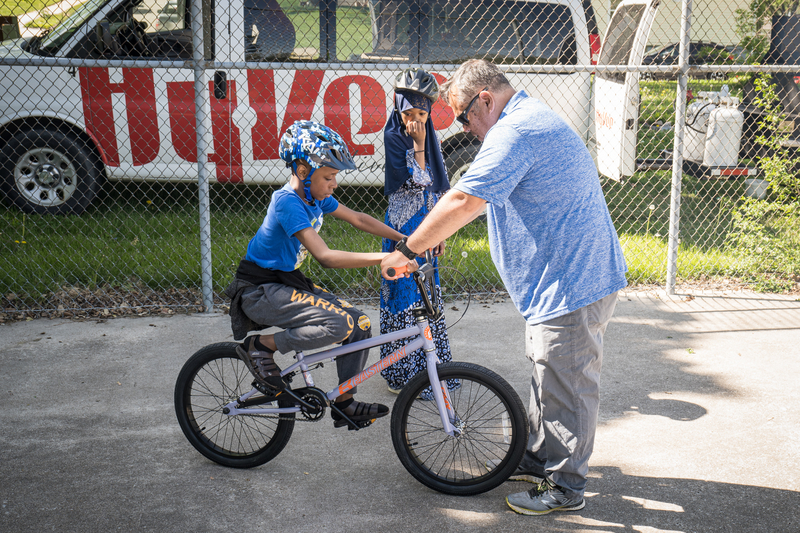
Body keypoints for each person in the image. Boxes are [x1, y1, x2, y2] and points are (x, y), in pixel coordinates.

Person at [381, 59, 627, 514]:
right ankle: (538, 456)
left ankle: (565, 486)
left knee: (567, 385)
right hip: (563, 281)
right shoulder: (527, 121)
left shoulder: (516, 132)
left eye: (463, 116)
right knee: (547, 373)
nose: (464, 127)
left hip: (571, 283)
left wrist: (410, 250)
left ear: (486, 100)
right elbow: (471, 193)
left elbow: (464, 199)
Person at [225, 120, 410, 429]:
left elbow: (359, 218)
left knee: (360, 325)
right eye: (328, 176)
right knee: (339, 324)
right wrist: (388, 256)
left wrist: (404, 241)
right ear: (302, 171)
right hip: (259, 289)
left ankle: (345, 402)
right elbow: (325, 257)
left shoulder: (316, 197)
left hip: (286, 282)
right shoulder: (287, 202)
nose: (334, 183)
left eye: (334, 176)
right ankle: (262, 346)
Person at [380, 67, 453, 398]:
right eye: (409, 112)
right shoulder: (395, 137)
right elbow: (416, 179)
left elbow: (437, 186)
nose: (415, 120)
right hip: (403, 230)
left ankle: (431, 368)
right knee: (404, 296)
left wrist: (441, 230)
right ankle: (402, 374)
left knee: (426, 297)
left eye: (422, 113)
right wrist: (419, 144)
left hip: (428, 224)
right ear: (398, 108)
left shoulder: (431, 136)